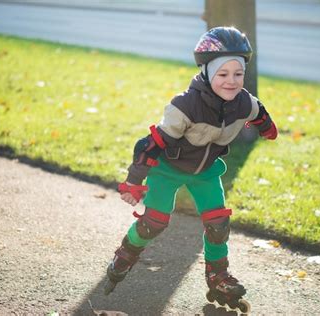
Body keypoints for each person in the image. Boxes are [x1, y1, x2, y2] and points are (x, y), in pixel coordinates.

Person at [104, 26, 277, 311]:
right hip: (167, 169)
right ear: (207, 73)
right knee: (154, 223)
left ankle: (218, 275)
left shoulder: (244, 102)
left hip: (205, 171)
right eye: (223, 74)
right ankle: (126, 252)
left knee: (218, 223)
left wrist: (267, 128)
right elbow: (152, 144)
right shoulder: (185, 106)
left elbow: (260, 112)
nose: (232, 81)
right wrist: (134, 181)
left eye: (238, 73)